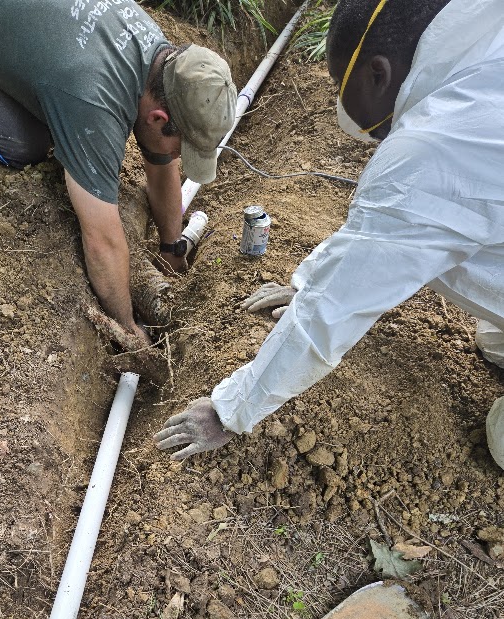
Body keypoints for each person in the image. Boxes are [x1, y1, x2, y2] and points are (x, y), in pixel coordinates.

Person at [155, 0, 504, 470]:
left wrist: (230, 409)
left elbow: (334, 311)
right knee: (492, 340)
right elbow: (375, 235)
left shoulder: (439, 147)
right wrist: (306, 283)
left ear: (378, 74)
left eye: (344, 87)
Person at [0, 0, 237, 347]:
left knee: (55, 114)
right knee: (24, 145)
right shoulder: (93, 99)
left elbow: (160, 160)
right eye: (180, 148)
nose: (175, 158)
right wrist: (127, 326)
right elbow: (102, 239)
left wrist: (172, 247)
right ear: (158, 118)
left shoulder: (160, 60)